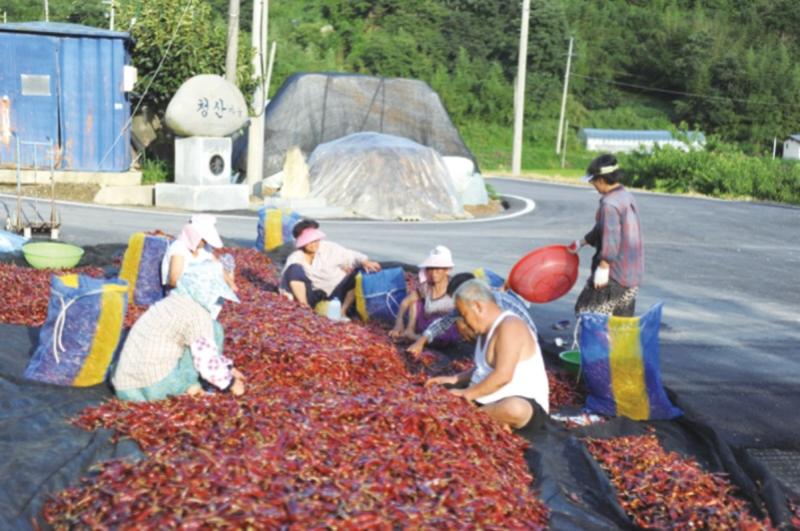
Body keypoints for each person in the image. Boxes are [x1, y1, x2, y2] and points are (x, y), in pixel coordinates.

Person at [426, 280, 549, 433]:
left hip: (520, 401)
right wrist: (453, 379)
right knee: (437, 390)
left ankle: (470, 416)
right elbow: (482, 370)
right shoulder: (484, 331)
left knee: (515, 409)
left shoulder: (510, 326)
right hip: (486, 398)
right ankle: (483, 418)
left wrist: (465, 394)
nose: (464, 322)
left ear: (477, 306)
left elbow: (503, 376)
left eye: (465, 315)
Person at [112, 261, 245, 402]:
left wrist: (228, 368)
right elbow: (206, 361)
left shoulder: (169, 302)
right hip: (155, 388)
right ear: (208, 293)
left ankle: (193, 383)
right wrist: (230, 383)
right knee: (212, 329)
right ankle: (190, 387)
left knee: (204, 332)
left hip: (124, 385)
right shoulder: (197, 315)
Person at [568, 154, 643, 317]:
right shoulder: (625, 195)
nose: (593, 185)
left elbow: (611, 238)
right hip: (632, 274)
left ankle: (596, 343)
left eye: (593, 181)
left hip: (615, 275)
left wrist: (604, 266)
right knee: (620, 320)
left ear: (601, 180)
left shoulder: (609, 204)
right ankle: (617, 343)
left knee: (588, 312)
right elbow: (604, 228)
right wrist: (582, 242)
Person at [406, 272, 536, 355]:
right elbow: (444, 322)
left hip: (525, 349)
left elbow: (503, 375)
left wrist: (469, 392)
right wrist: (421, 341)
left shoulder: (496, 304)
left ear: (468, 292)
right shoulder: (476, 299)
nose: (456, 304)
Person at [280, 219, 381, 317]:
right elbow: (286, 278)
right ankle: (304, 306)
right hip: (313, 294)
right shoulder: (296, 257)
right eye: (309, 242)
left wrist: (365, 261)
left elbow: (351, 255)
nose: (314, 244)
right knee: (294, 269)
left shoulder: (329, 248)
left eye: (316, 240)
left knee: (358, 274)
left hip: (337, 290)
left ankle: (343, 311)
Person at [389, 245, 459, 344]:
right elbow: (405, 302)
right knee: (415, 301)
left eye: (438, 269)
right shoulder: (426, 287)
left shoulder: (454, 286)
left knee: (447, 335)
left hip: (444, 327)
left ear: (447, 270)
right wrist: (398, 322)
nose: (433, 273)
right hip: (426, 323)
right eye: (430, 269)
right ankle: (410, 330)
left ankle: (414, 338)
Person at [161, 214, 223, 288]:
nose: (205, 241)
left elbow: (218, 267)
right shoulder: (178, 248)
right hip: (180, 294)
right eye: (203, 239)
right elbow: (174, 281)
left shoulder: (205, 248)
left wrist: (232, 287)